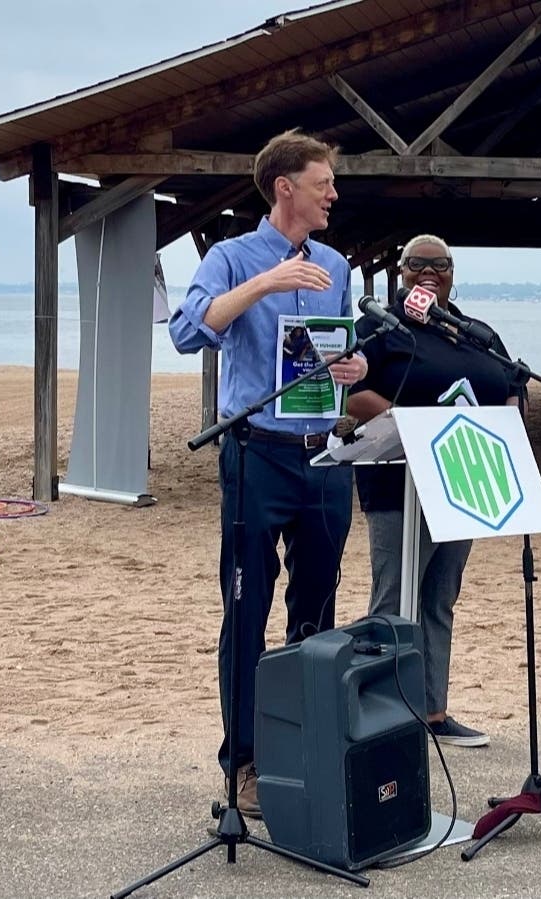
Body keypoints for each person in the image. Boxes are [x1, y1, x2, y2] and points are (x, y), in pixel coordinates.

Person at [168, 130, 366, 819]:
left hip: (324, 452)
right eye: (323, 183)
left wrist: (355, 369)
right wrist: (267, 281)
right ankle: (244, 763)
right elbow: (189, 331)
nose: (333, 193)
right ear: (286, 189)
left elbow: (343, 347)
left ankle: (306, 748)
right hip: (256, 451)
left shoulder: (338, 264)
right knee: (246, 611)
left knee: (316, 613)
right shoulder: (230, 257)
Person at [347, 235, 521, 749]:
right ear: (400, 273)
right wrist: (416, 426)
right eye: (416, 265)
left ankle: (435, 711)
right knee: (395, 598)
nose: (428, 273)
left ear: (452, 272)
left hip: (462, 480)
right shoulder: (378, 328)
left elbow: (513, 382)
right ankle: (386, 712)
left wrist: (509, 419)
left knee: (440, 598)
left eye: (439, 265)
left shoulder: (475, 331)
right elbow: (353, 393)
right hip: (398, 481)